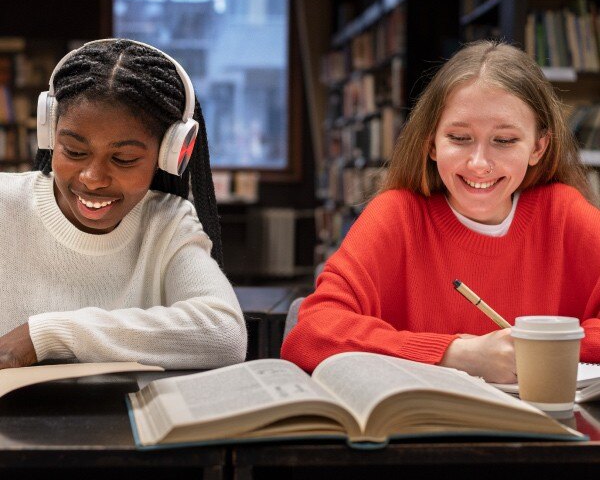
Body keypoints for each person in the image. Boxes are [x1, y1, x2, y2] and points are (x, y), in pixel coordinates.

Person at [281, 40, 600, 383]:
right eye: (459, 138)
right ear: (431, 142)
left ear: (538, 147)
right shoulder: (396, 216)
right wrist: (456, 354)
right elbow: (311, 333)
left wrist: (536, 350)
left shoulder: (564, 214)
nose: (479, 163)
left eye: (504, 141)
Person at [0, 38, 247, 370]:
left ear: (168, 155)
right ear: (49, 133)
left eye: (124, 158)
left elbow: (224, 334)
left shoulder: (167, 222)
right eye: (74, 151)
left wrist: (47, 334)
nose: (92, 177)